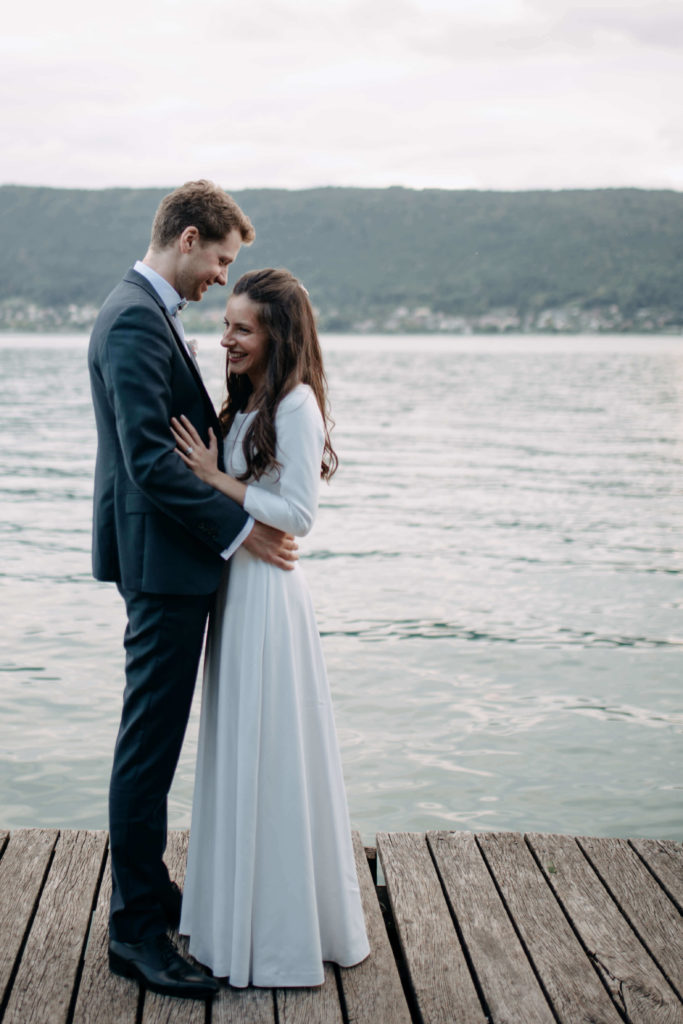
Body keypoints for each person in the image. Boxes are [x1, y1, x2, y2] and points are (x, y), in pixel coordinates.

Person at [88, 181, 297, 1001]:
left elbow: (171, 444)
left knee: (158, 739)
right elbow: (146, 461)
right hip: (164, 566)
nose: (220, 277)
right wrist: (243, 530)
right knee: (149, 746)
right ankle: (135, 932)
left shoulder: (146, 313)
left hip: (171, 561)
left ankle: (152, 896)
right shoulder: (135, 318)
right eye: (219, 259)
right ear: (185, 236)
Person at [170, 268, 370, 987]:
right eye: (224, 325)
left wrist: (214, 477)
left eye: (241, 328)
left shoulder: (296, 404)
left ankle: (279, 933)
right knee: (240, 749)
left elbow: (299, 517)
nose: (225, 339)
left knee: (273, 752)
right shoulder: (254, 401)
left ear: (277, 335)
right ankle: (234, 917)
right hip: (239, 593)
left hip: (270, 597)